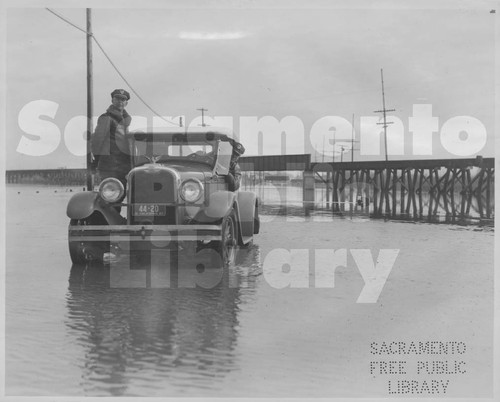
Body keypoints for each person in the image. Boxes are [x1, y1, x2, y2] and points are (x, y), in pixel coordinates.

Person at [91, 89, 132, 189]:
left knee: (120, 195)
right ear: (112, 100)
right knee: (110, 197)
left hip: (123, 166)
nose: (120, 102)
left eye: (123, 99)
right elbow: (98, 141)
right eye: (117, 99)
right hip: (109, 166)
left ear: (126, 103)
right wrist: (95, 162)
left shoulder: (125, 121)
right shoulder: (106, 118)